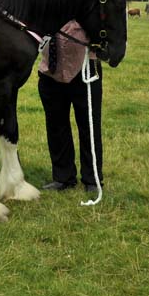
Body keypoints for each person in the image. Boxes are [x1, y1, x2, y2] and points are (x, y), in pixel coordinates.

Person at [38, 20, 103, 193]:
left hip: (85, 68)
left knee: (89, 126)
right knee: (56, 125)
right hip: (50, 69)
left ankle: (92, 179)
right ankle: (63, 177)